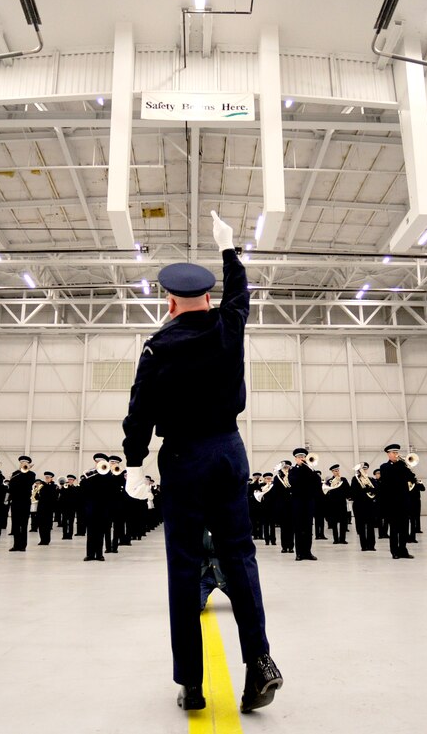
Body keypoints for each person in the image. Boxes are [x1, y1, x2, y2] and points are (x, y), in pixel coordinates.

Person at [121, 212, 281, 714]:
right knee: (241, 555)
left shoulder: (158, 347)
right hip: (229, 451)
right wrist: (229, 249)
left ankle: (191, 683)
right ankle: (260, 661)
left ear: (169, 302)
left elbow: (140, 411)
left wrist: (133, 465)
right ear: (208, 299)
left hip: (184, 458)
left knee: (184, 568)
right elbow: (241, 296)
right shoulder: (227, 327)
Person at [378, 444, 415, 559]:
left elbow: (412, 478)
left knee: (404, 527)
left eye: (397, 452)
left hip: (403, 501)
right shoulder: (384, 467)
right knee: (394, 529)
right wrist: (401, 465)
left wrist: (407, 467)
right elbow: (389, 479)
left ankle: (403, 550)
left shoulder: (402, 466)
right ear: (388, 454)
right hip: (392, 503)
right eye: (394, 453)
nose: (396, 455)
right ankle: (394, 551)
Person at [288, 448, 318, 561]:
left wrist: (308, 468)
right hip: (297, 501)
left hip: (309, 501)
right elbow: (293, 481)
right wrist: (301, 468)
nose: (302, 458)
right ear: (295, 459)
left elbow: (316, 481)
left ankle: (308, 552)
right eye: (299, 457)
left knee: (308, 527)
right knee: (299, 527)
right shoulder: (293, 470)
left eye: (303, 456)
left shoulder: (310, 469)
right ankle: (299, 553)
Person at [350, 462, 377, 551]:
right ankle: (364, 546)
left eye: (365, 469)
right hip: (359, 505)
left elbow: (376, 490)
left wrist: (369, 489)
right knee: (361, 526)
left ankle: (371, 546)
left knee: (370, 526)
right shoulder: (355, 479)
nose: (364, 470)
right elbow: (353, 493)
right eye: (362, 469)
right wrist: (364, 490)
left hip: (369, 505)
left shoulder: (371, 479)